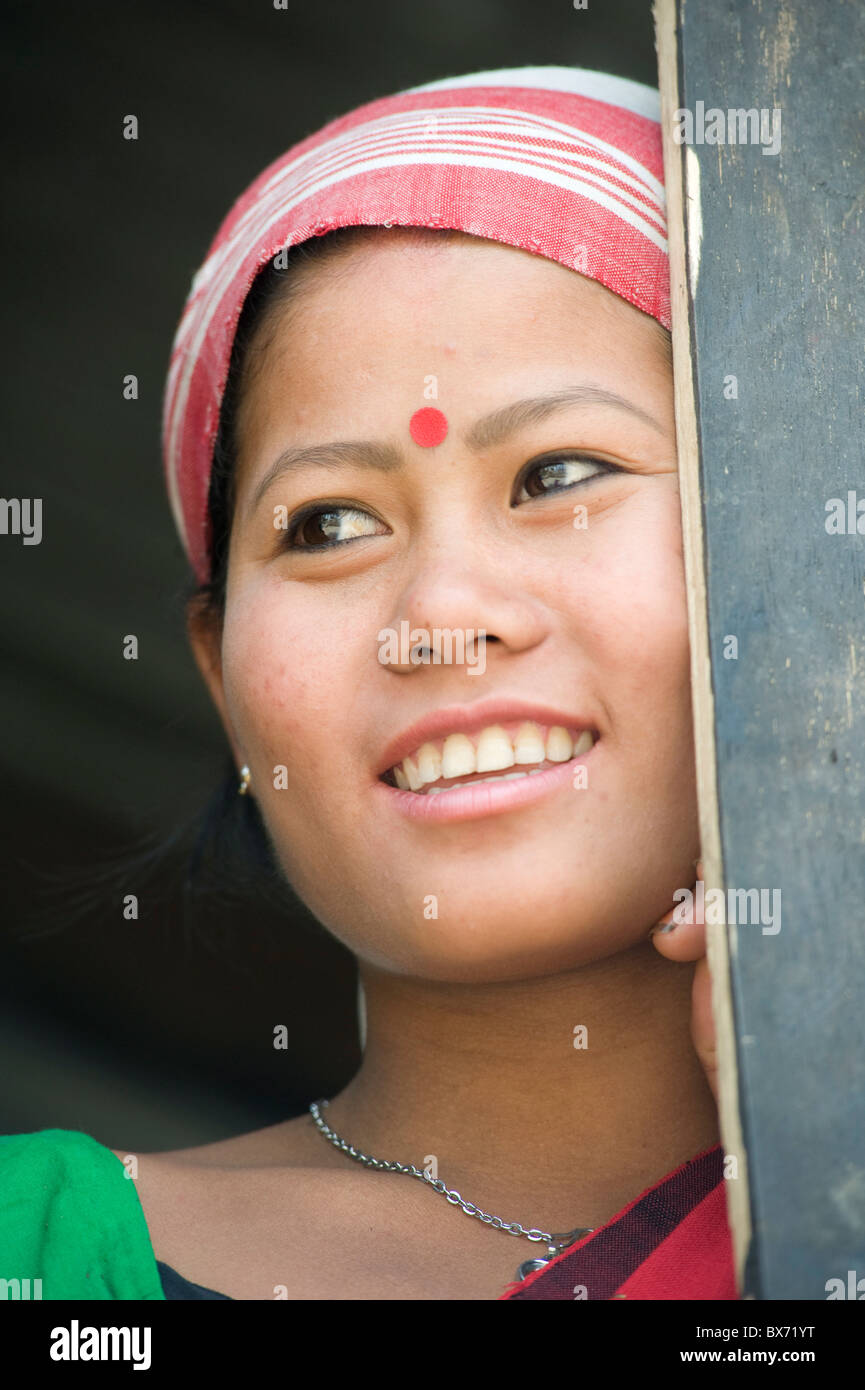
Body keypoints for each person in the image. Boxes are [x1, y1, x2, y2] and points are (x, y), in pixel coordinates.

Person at [0, 65, 735, 1300]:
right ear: (226, 690)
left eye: (557, 475)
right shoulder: (40, 1261)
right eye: (329, 524)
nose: (441, 616)